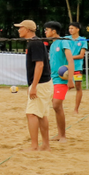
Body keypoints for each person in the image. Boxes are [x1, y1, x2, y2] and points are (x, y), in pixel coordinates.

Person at [16, 19, 51, 152]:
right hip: (43, 83)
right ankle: (45, 145)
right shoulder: (34, 42)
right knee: (41, 114)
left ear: (28, 29)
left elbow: (40, 64)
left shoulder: (34, 43)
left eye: (21, 27)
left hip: (41, 83)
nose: (19, 30)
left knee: (31, 114)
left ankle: (34, 146)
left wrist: (34, 86)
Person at [44, 21, 75, 142]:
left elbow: (70, 60)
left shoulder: (64, 41)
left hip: (62, 80)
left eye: (47, 30)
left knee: (56, 105)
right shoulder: (52, 45)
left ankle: (63, 136)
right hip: (53, 79)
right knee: (57, 107)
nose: (45, 32)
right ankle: (60, 134)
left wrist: (70, 78)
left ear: (54, 31)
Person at [66, 22, 89, 114]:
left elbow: (81, 55)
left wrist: (70, 57)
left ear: (77, 29)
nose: (70, 30)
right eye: (69, 28)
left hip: (77, 67)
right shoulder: (66, 39)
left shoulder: (83, 40)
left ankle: (76, 109)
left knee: (78, 87)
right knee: (61, 85)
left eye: (72, 28)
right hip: (66, 67)